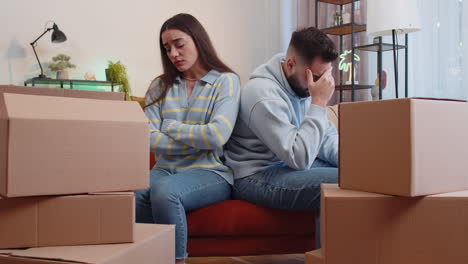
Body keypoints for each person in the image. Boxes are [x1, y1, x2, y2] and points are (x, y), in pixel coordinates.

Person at [135, 13, 240, 263]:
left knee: (165, 191)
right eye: (167, 48)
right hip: (165, 168)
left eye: (179, 44)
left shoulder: (226, 82)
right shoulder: (158, 86)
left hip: (211, 171)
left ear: (198, 40)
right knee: (134, 190)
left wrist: (170, 127)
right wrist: (195, 140)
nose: (173, 54)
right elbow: (147, 137)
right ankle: (146, 257)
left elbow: (217, 135)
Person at [224, 27, 339, 245]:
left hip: (286, 166)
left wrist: (360, 167)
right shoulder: (261, 94)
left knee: (356, 175)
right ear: (290, 65)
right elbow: (300, 158)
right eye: (316, 76)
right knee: (343, 182)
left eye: (327, 75)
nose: (322, 84)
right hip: (254, 177)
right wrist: (318, 103)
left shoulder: (302, 84)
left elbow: (325, 138)